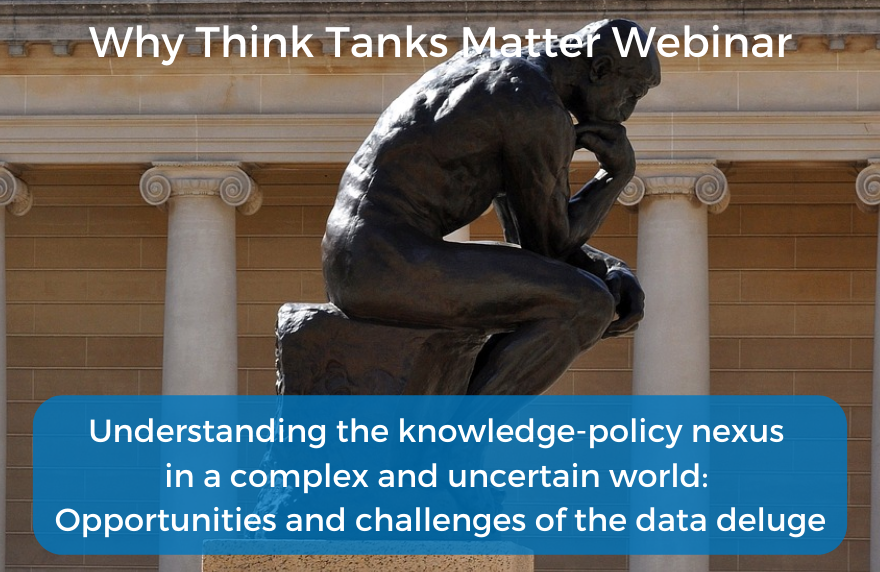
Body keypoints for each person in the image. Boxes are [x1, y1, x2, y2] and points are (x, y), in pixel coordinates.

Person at [322, 19, 661, 395]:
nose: (626, 113)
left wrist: (607, 267)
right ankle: (459, 430)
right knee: (585, 304)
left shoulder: (490, 70)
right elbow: (552, 244)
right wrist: (615, 175)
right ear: (600, 69)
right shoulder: (534, 105)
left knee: (573, 290)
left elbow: (528, 236)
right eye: (631, 94)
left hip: (359, 255)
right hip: (385, 264)